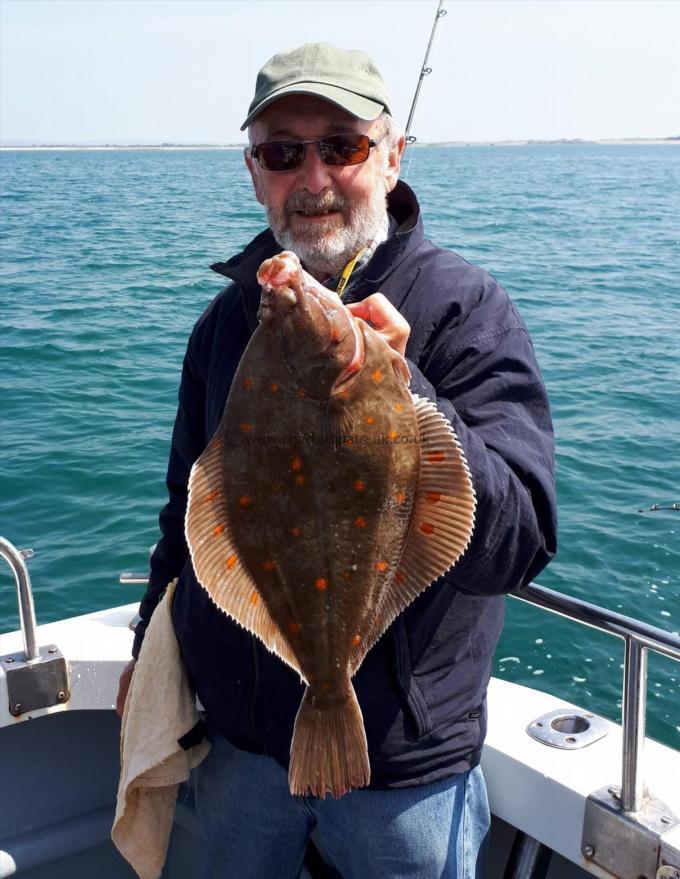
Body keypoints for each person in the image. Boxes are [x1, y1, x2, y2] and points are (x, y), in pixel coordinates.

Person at [117, 42, 557, 878]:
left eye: (343, 145)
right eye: (284, 151)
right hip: (240, 746)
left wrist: (410, 387)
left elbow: (521, 540)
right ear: (255, 172)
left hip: (400, 767)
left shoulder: (465, 310)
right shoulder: (225, 325)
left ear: (392, 158)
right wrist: (147, 648)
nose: (312, 175)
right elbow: (188, 511)